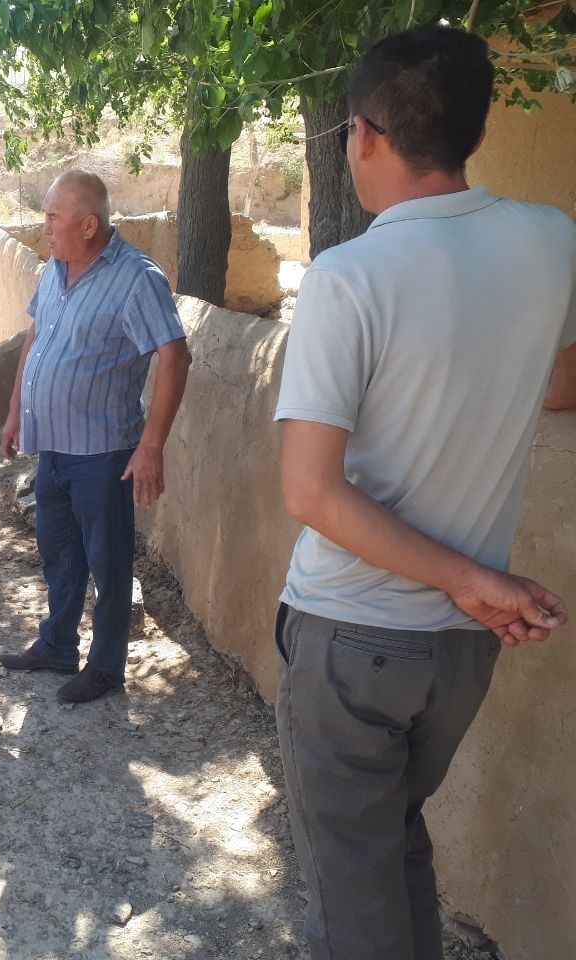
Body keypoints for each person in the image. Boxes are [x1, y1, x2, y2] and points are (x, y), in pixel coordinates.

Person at [273, 27, 576, 960]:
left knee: (350, 902)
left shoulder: (347, 277)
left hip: (354, 637)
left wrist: (469, 581)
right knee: (395, 847)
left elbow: (310, 492)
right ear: (473, 132)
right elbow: (561, 380)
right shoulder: (551, 241)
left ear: (363, 135)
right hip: (459, 654)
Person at [0, 169, 191, 704]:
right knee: (59, 554)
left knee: (109, 565)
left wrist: (151, 446)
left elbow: (175, 357)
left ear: (88, 225)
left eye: (53, 218)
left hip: (104, 453)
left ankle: (105, 668)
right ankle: (57, 645)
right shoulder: (54, 269)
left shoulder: (136, 278)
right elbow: (35, 338)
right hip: (54, 447)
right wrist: (15, 410)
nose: (44, 228)